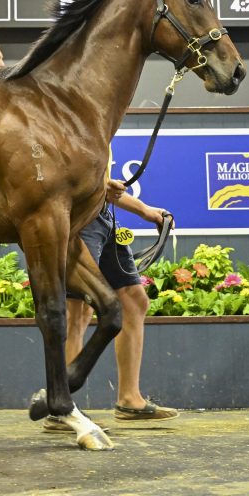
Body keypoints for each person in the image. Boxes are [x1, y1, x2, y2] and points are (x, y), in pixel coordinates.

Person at [44, 176, 179, 431]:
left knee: (134, 300)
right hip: (79, 219)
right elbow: (67, 176)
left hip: (103, 217)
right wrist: (97, 186)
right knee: (79, 310)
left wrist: (146, 210)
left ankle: (130, 400)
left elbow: (103, 185)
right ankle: (62, 408)